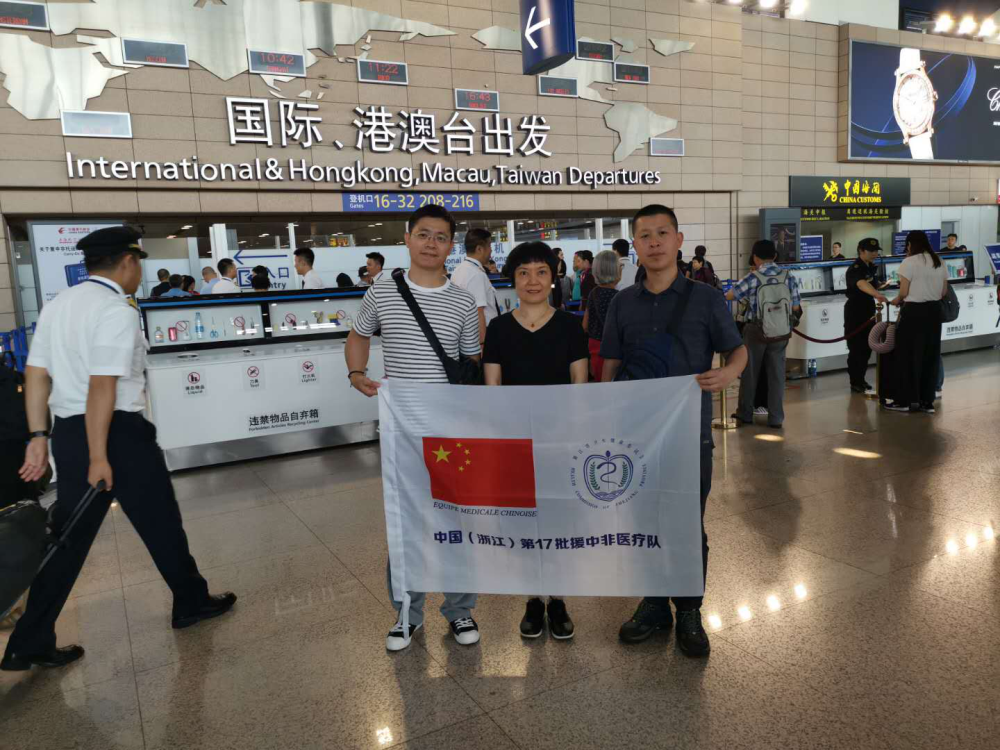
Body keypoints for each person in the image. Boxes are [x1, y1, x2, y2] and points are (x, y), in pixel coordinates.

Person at [2, 227, 235, 673]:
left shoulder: (58, 305)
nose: (139, 271)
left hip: (70, 433)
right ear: (128, 261)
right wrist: (100, 456)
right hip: (117, 435)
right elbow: (102, 386)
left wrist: (39, 436)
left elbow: (35, 374)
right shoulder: (116, 310)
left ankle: (29, 641)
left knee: (68, 538)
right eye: (138, 263)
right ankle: (191, 603)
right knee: (160, 519)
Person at [600, 205, 746, 657]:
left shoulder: (706, 299)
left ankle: (688, 608)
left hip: (689, 432)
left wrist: (728, 374)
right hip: (635, 436)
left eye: (662, 233)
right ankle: (654, 604)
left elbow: (737, 351)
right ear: (634, 246)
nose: (655, 242)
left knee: (686, 522)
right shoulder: (622, 303)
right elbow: (610, 365)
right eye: (645, 235)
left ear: (678, 240)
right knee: (643, 521)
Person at [345, 204, 482, 653]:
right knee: (406, 523)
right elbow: (359, 334)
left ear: (451, 245)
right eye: (423, 234)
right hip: (402, 429)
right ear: (407, 238)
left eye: (441, 237)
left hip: (451, 431)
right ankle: (407, 612)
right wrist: (356, 371)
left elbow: (469, 362)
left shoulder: (462, 301)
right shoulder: (383, 291)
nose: (431, 244)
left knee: (457, 519)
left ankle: (460, 608)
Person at [482, 241, 588, 639]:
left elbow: (580, 385)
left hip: (560, 443)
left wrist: (572, 435)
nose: (532, 280)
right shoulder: (498, 329)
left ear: (553, 277)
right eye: (523, 273)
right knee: (523, 522)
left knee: (559, 520)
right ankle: (532, 598)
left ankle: (557, 598)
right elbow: (492, 388)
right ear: (513, 279)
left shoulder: (568, 326)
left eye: (541, 272)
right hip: (515, 444)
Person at [726, 239, 802, 429]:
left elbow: (731, 295)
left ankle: (745, 413)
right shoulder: (788, 277)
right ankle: (776, 418)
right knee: (777, 375)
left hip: (756, 331)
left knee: (750, 373)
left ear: (755, 257)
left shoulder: (753, 277)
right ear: (775, 256)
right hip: (781, 332)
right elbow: (795, 307)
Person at [885, 230, 948, 413]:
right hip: (934, 312)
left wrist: (896, 300)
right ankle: (927, 402)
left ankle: (903, 401)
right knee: (930, 356)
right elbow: (943, 292)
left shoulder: (909, 262)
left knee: (906, 355)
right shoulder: (939, 261)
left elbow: (904, 292)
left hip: (913, 312)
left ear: (910, 244)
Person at [844, 238, 888, 393]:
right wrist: (877, 294)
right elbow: (861, 283)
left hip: (868, 310)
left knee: (866, 347)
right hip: (855, 311)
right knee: (856, 348)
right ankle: (855, 381)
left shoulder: (870, 267)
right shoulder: (856, 268)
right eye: (871, 251)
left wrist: (880, 286)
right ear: (861, 251)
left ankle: (861, 379)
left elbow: (871, 284)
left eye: (876, 251)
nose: (875, 253)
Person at [450, 228, 500, 349]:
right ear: (479, 249)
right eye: (489, 245)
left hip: (465, 334)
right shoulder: (475, 274)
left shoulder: (459, 270)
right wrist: (482, 345)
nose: (491, 250)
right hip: (482, 335)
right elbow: (478, 312)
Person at [583, 250, 620, 380]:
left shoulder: (593, 292)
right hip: (611, 351)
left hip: (593, 346)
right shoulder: (618, 297)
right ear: (614, 270)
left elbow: (585, 325)